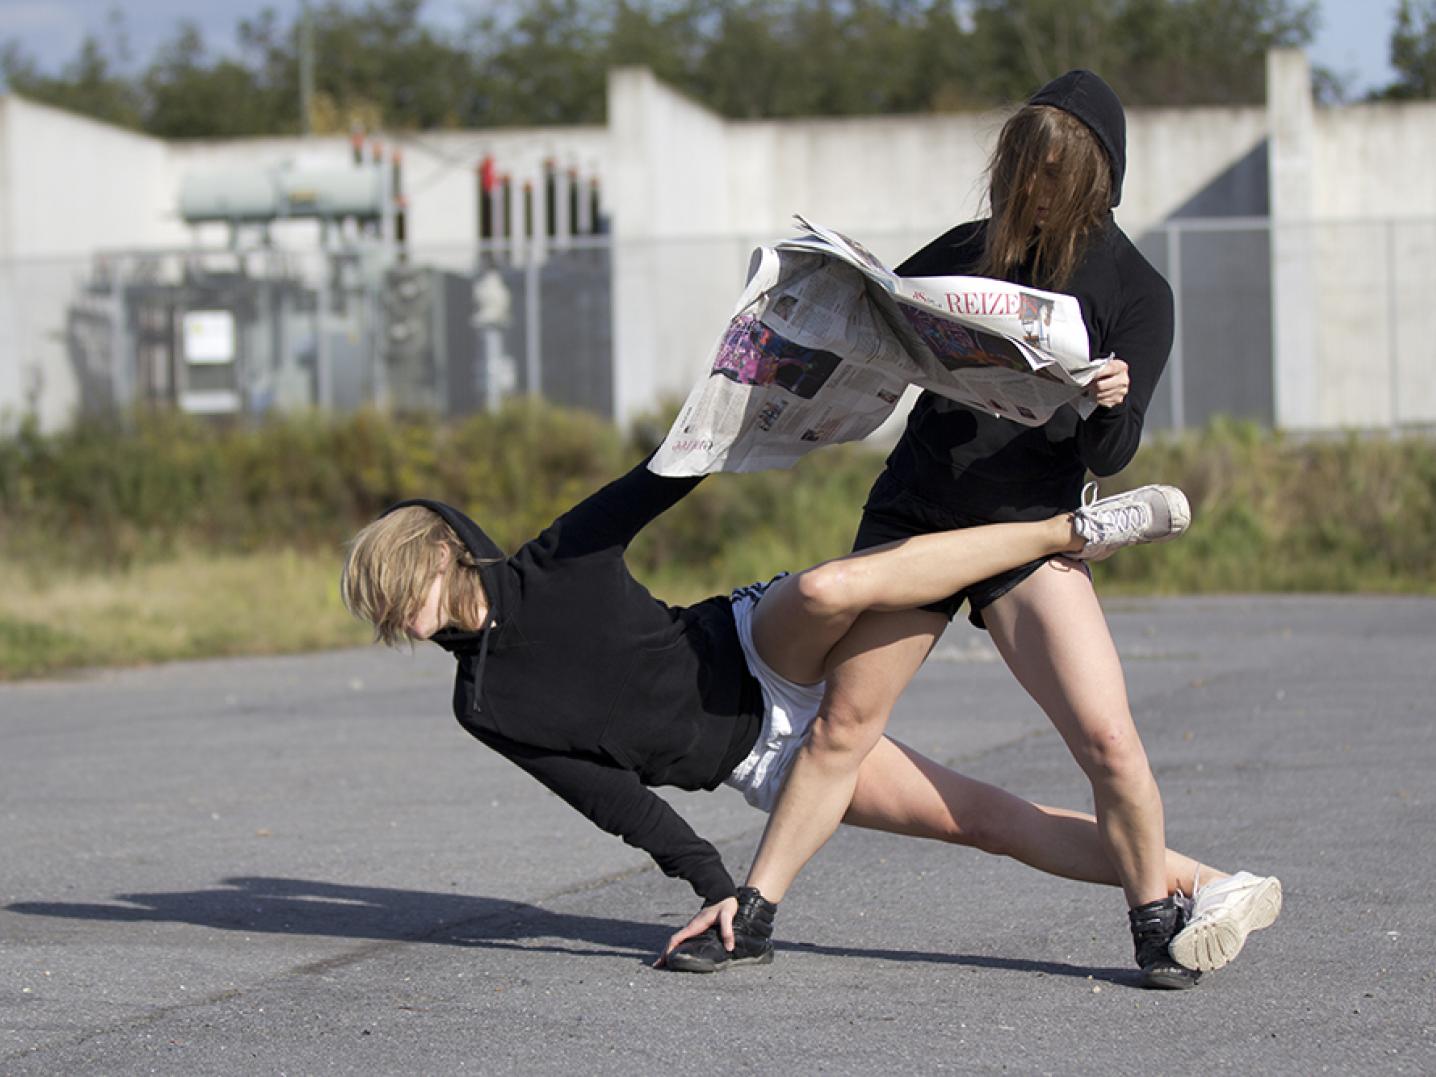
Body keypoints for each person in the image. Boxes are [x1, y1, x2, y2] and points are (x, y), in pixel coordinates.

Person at [663, 70, 1282, 989]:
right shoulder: (966, 247)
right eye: (1020, 165)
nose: (1028, 188)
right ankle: (751, 914)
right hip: (918, 510)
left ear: (1093, 181)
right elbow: (883, 341)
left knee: (1109, 742)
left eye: (1050, 172)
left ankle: (1156, 921)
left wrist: (1109, 393)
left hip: (1028, 534)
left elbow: (1112, 451)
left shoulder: (1136, 291)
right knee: (845, 724)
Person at [341, 455, 1277, 979]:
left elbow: (669, 470)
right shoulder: (484, 703)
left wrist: (766, 379)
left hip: (754, 645)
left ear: (441, 551)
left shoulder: (557, 562)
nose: (394, 617)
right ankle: (1211, 883)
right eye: (384, 611)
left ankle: (1071, 530)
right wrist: (708, 881)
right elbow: (610, 798)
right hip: (769, 765)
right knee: (991, 822)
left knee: (831, 586)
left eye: (395, 591)